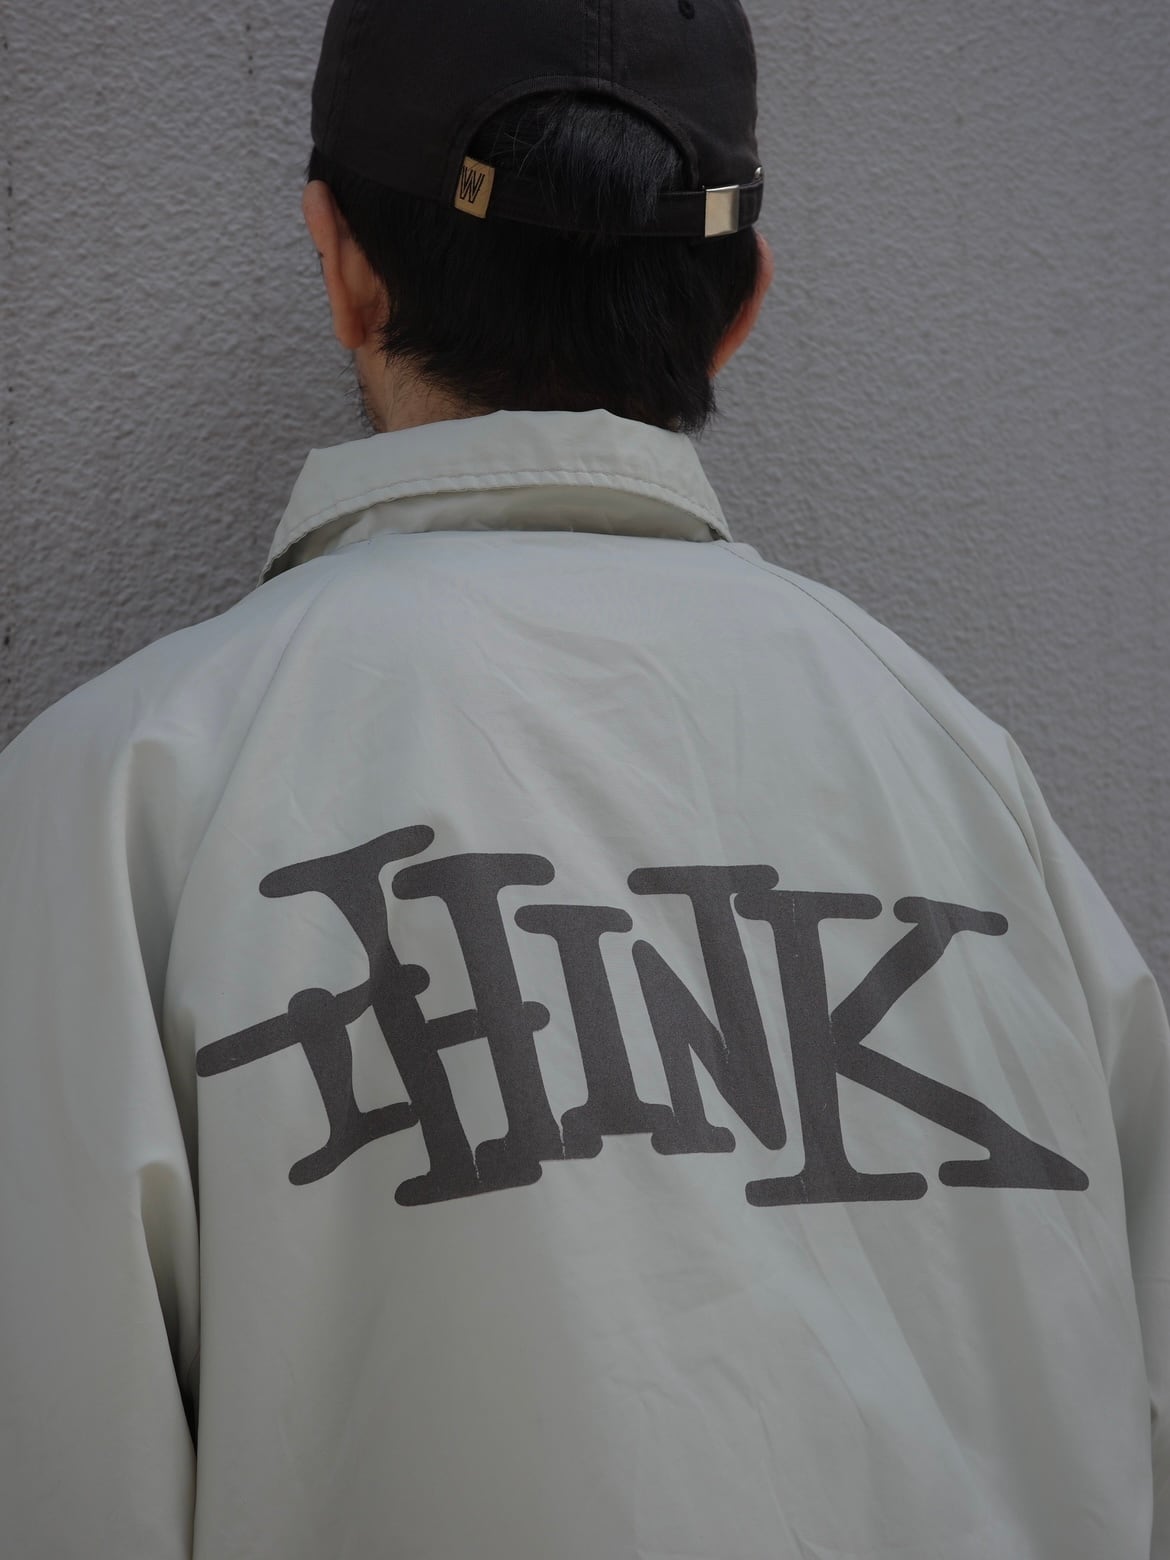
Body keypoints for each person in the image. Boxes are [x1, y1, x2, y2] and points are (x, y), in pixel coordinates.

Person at [1, 1, 1166, 1556]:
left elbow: (57, 1472)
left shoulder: (117, 793)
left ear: (342, 264)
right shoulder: (966, 778)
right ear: (740, 302)